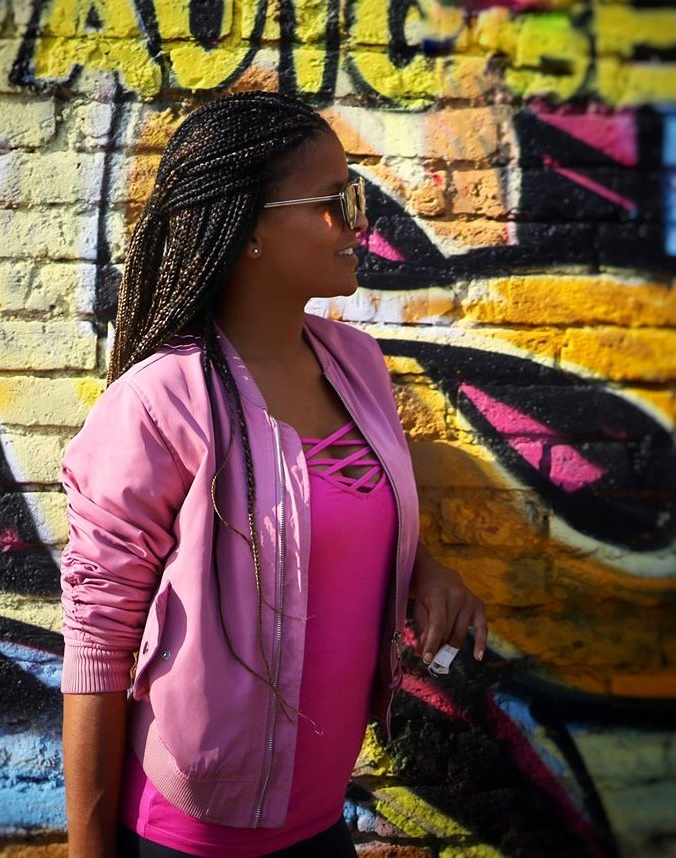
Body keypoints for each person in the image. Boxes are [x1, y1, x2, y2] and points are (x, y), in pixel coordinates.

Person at [59, 90, 488, 858]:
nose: (358, 222)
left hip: (321, 823)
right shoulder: (160, 402)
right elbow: (96, 649)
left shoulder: (356, 364)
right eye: (334, 201)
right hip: (193, 839)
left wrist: (428, 571)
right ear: (251, 228)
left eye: (356, 198)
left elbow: (341, 514)